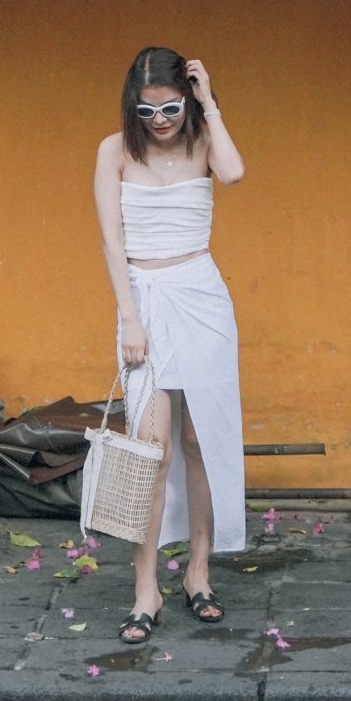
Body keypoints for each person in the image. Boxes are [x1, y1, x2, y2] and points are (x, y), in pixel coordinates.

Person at [93, 44, 246, 647]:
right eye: (147, 110)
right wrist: (130, 320)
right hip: (144, 301)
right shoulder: (114, 151)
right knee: (150, 449)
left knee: (199, 440)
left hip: (202, 298)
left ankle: (198, 573)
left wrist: (210, 105)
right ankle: (146, 588)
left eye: (171, 108)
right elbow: (112, 242)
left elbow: (233, 173)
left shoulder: (204, 140)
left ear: (188, 99)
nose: (159, 121)